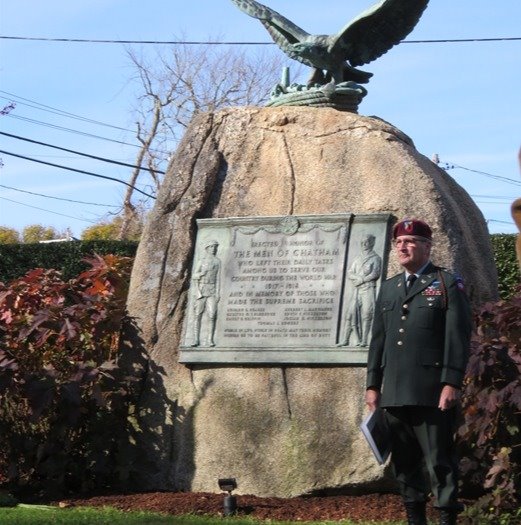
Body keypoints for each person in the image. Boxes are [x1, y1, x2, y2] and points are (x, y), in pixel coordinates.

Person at [365, 219, 472, 525]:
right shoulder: (389, 288)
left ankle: (446, 518)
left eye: (411, 241)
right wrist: (373, 385)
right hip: (396, 391)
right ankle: (415, 520)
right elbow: (378, 341)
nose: (403, 247)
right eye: (399, 242)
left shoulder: (446, 283)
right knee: (405, 462)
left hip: (432, 391)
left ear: (427, 246)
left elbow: (457, 337)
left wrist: (451, 382)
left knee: (439, 461)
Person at [338, 233, 382, 346]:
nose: (364, 244)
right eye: (362, 242)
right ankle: (345, 340)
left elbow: (375, 273)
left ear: (372, 243)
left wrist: (362, 279)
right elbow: (350, 272)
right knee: (350, 314)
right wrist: (357, 278)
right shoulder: (357, 258)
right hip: (356, 290)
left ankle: (364, 341)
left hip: (368, 289)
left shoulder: (376, 258)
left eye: (367, 241)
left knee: (367, 314)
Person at [191, 239, 221, 347]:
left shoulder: (217, 261)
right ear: (207, 248)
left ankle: (209, 340)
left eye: (215, 247)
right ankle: (195, 340)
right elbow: (194, 275)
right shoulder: (201, 260)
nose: (214, 249)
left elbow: (218, 278)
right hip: (201, 289)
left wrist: (217, 293)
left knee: (212, 315)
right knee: (198, 314)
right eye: (212, 247)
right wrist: (200, 274)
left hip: (212, 290)